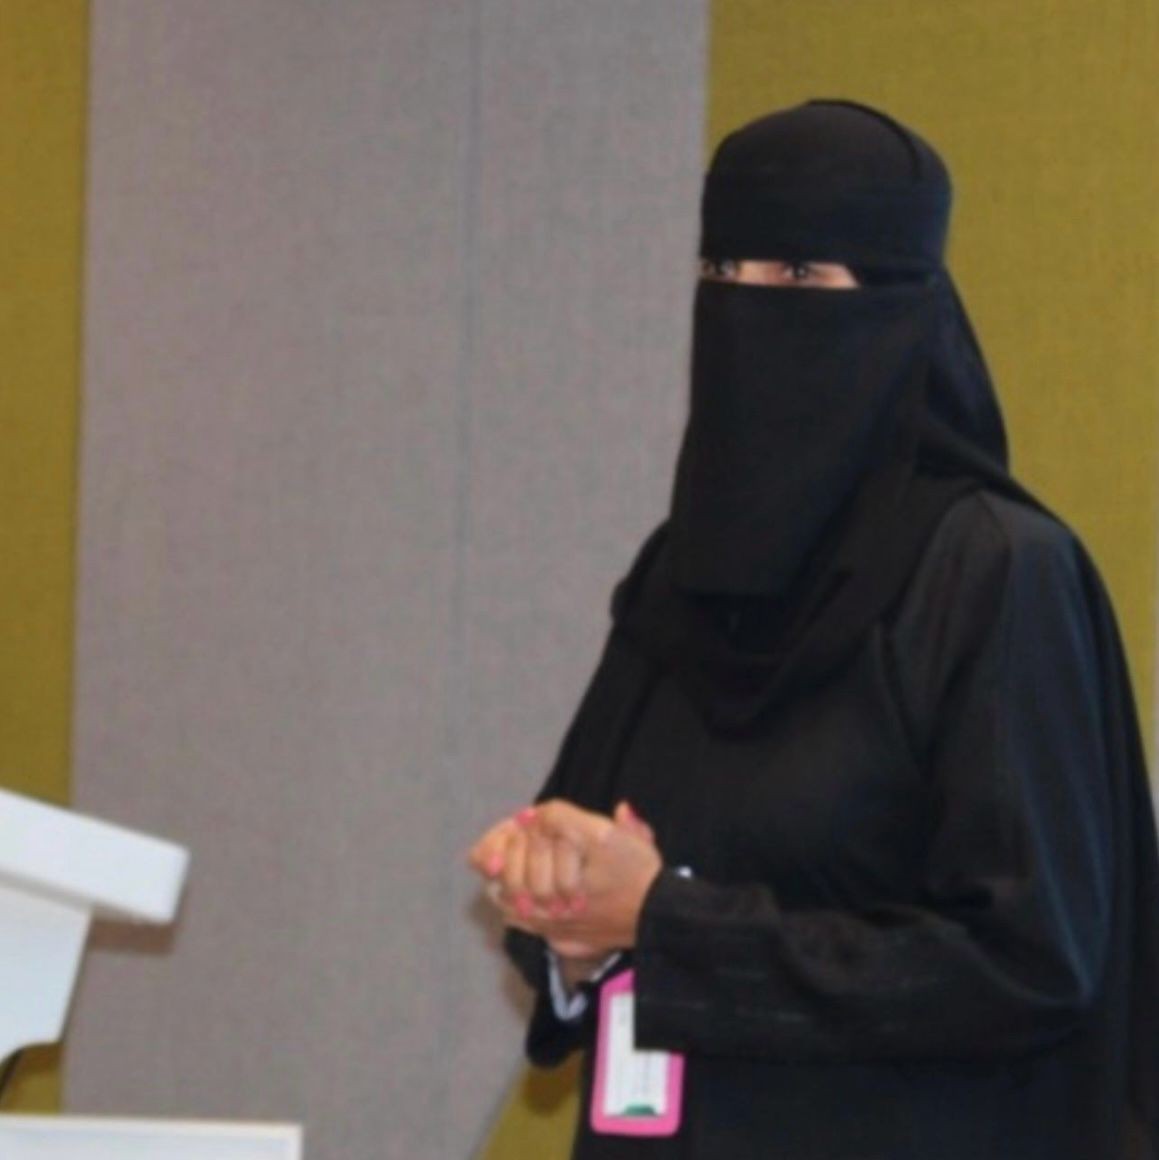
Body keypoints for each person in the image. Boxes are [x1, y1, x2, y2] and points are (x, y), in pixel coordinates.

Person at [468, 99, 1159, 1159]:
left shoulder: (993, 572)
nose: (748, 308)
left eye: (797, 275)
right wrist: (564, 908)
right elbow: (595, 860)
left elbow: (1029, 960)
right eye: (721, 271)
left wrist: (668, 926)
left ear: (900, 305)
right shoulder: (681, 571)